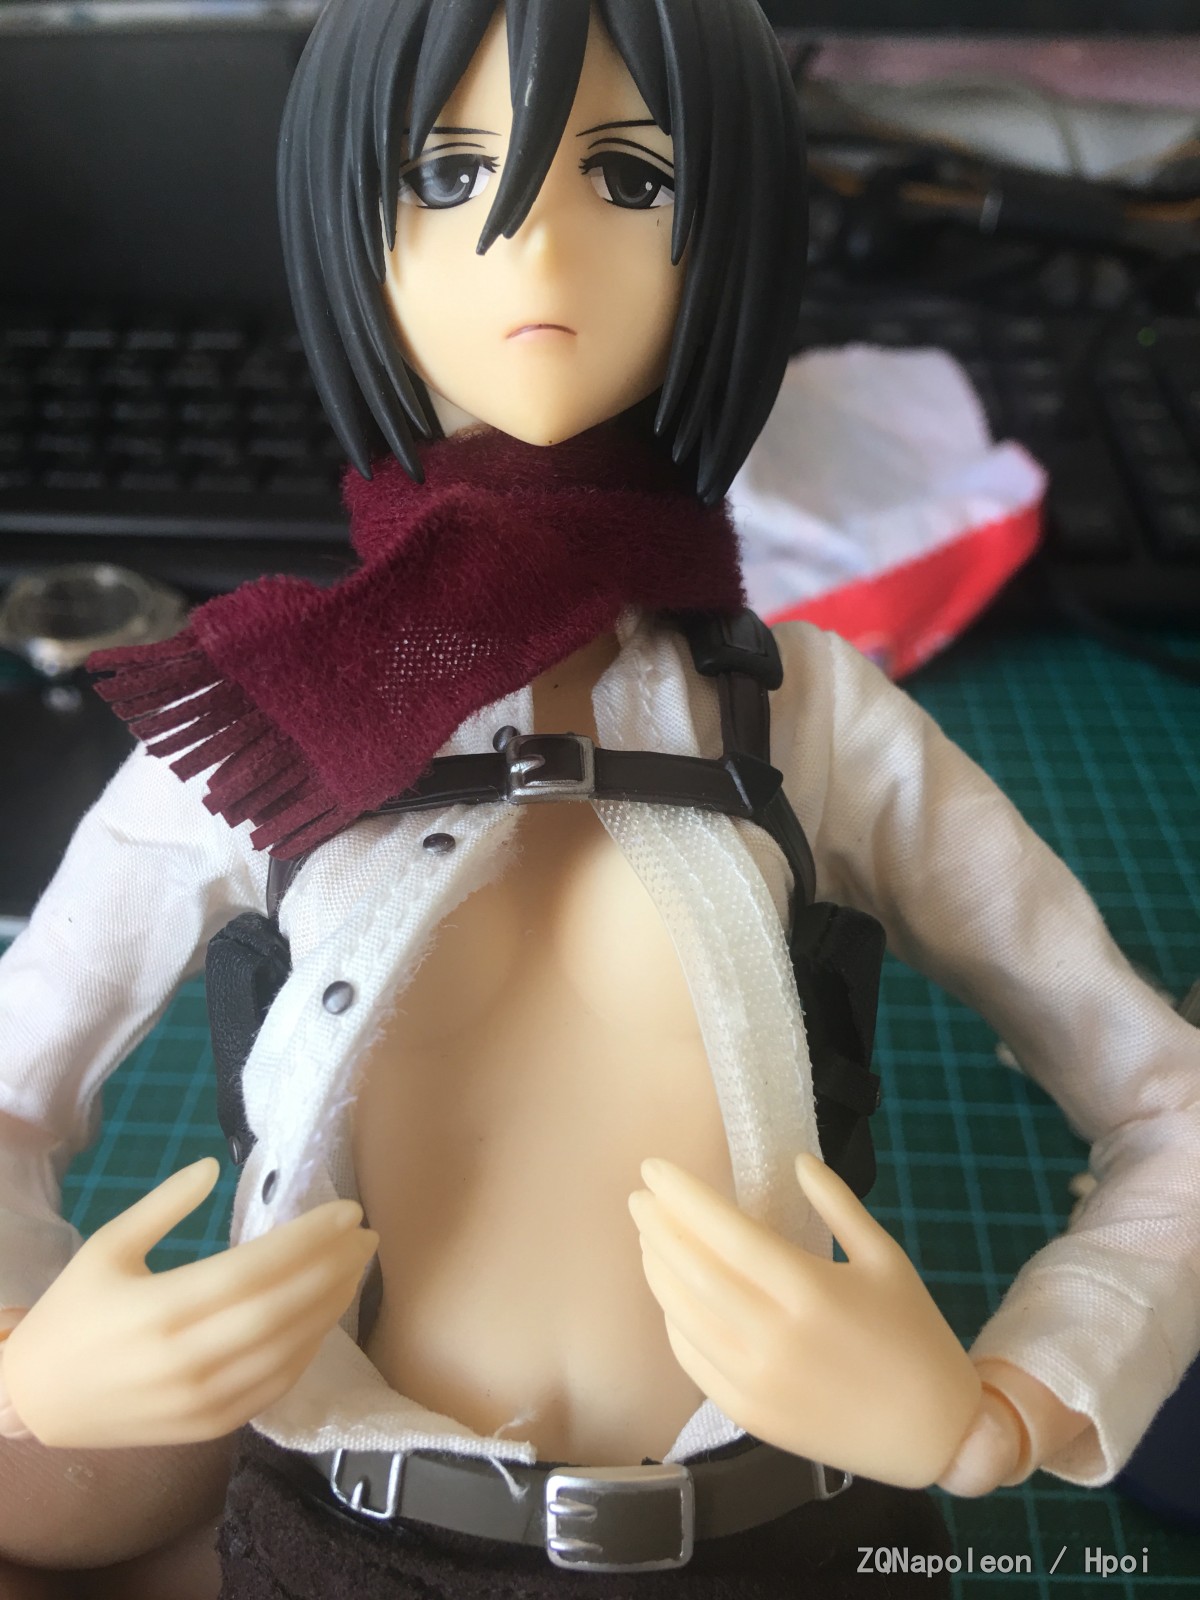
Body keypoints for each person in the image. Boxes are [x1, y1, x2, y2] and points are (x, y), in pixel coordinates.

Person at [0, 0, 1198, 1594]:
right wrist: (27, 1362)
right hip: (351, 1544)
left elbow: (1169, 1106)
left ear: (735, 232)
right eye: (447, 174)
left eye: (633, 179)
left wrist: (1003, 1409)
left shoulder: (813, 718)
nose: (540, 247)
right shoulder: (272, 718)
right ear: (343, 225)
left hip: (791, 1538)